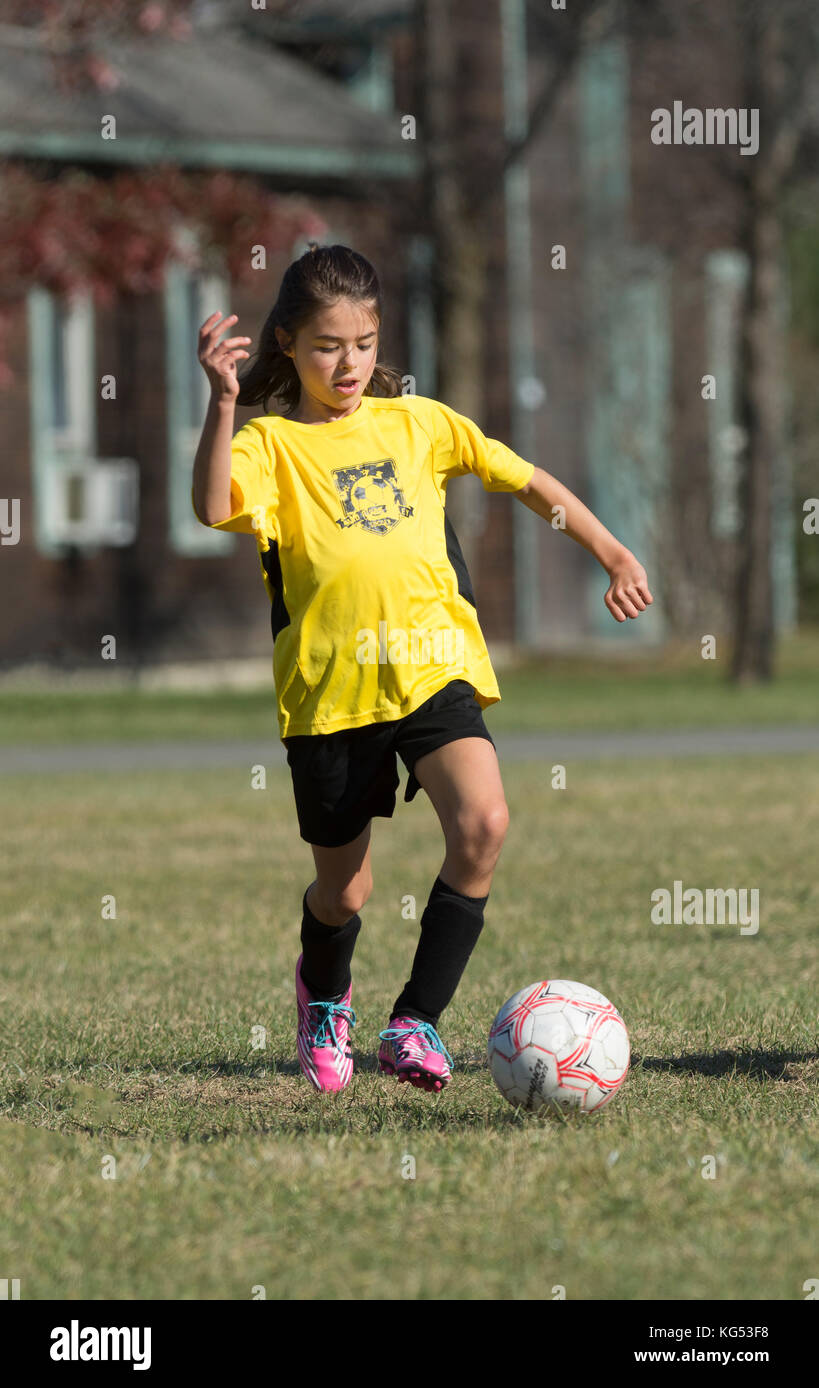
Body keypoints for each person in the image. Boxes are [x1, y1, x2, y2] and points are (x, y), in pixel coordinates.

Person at [192, 243, 652, 1096]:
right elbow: (214, 506)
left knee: (482, 823)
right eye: (328, 345)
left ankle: (414, 1023)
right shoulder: (271, 444)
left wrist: (612, 552)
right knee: (346, 890)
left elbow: (526, 481)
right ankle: (324, 992)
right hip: (330, 697)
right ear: (287, 343)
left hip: (432, 669)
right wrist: (222, 405)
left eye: (364, 343)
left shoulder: (418, 422)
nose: (349, 364)